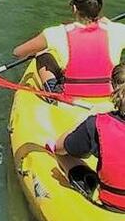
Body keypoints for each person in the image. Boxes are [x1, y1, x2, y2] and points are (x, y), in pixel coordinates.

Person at [13, 0, 125, 97]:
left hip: (69, 95)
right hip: (109, 92)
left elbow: (18, 52)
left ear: (75, 8)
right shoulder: (118, 30)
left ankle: (53, 95)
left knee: (43, 55)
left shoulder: (56, 33)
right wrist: (110, 24)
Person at [46, 62, 125, 213]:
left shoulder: (97, 123)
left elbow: (59, 147)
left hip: (114, 206)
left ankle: (87, 185)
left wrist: (89, 117)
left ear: (113, 87)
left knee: (62, 154)